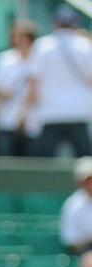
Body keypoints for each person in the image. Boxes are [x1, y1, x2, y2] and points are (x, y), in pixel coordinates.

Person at [25, 5, 92, 158]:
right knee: (85, 162)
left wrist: (28, 111)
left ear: (55, 24)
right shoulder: (85, 45)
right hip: (79, 111)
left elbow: (34, 81)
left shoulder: (42, 45)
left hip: (49, 112)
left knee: (46, 162)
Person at [0, 20, 39, 158]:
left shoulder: (40, 58)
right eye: (15, 36)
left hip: (33, 124)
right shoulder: (4, 59)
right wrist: (5, 94)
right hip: (7, 121)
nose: (16, 40)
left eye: (21, 36)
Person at [61, 156, 92, 255]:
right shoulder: (72, 205)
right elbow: (72, 242)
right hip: (86, 252)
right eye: (86, 180)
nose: (89, 184)